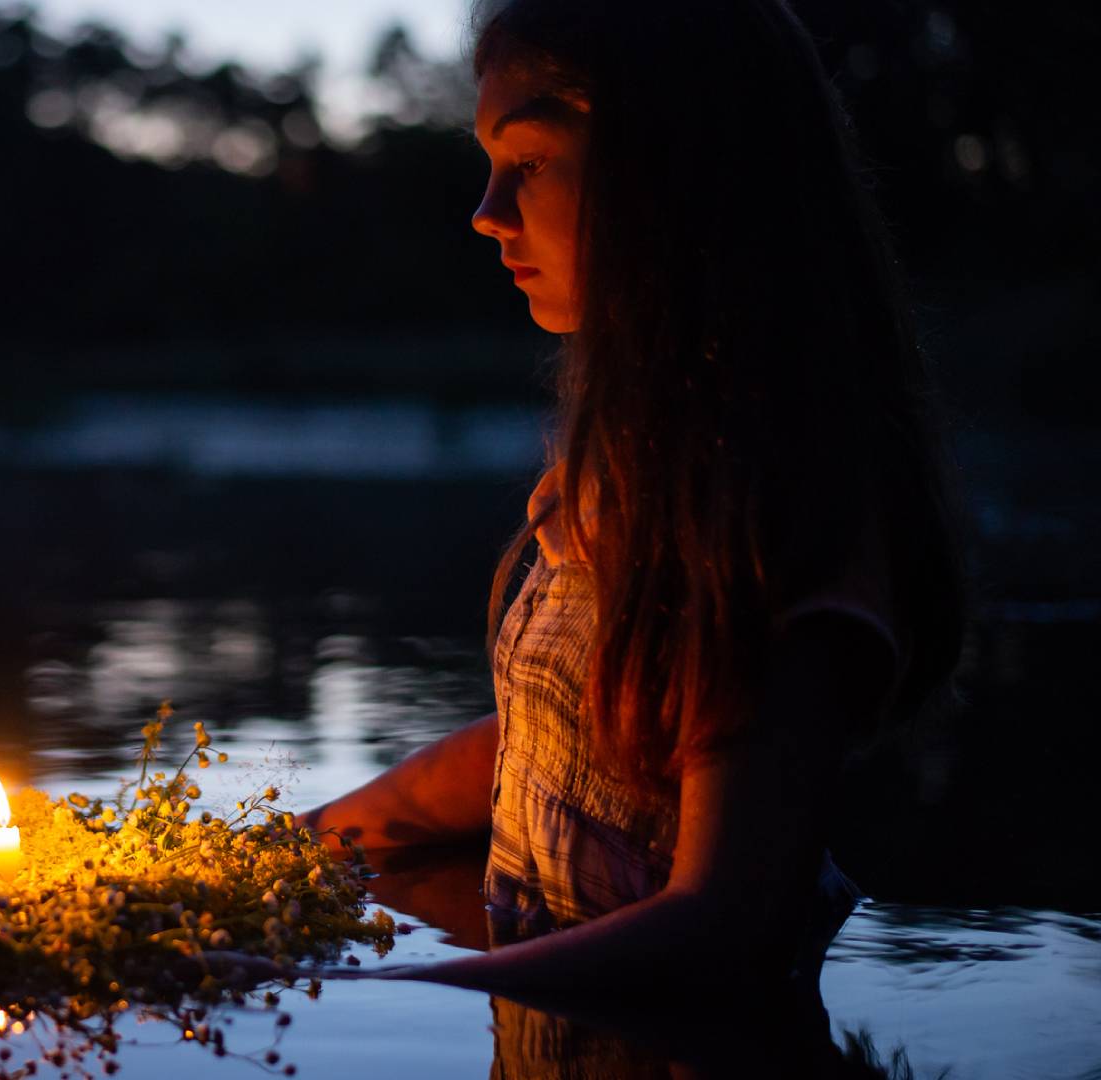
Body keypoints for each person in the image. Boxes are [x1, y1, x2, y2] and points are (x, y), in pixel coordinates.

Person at [301, 0, 968, 998]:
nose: (486, 211)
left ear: (677, 176)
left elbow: (726, 924)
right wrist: (293, 848)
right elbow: (557, 744)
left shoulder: (780, 507)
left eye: (525, 161)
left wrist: (378, 992)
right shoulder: (622, 474)